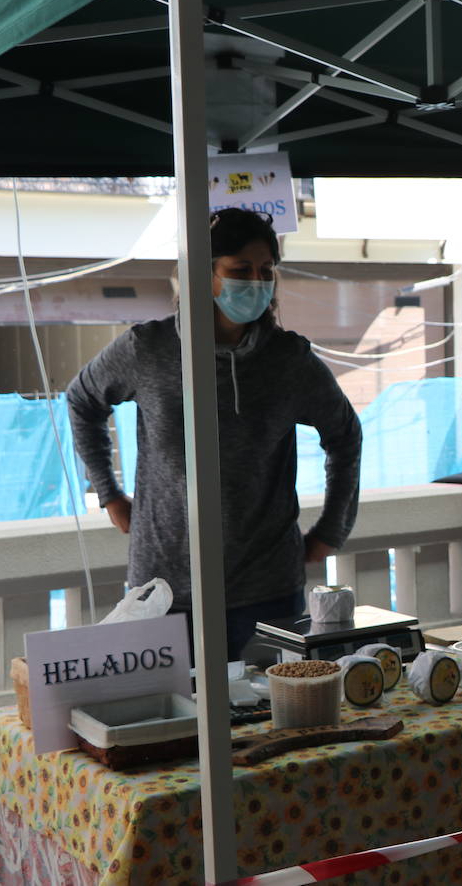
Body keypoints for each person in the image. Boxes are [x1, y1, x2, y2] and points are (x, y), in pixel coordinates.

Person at [68, 208, 362, 659]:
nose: (256, 282)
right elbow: (82, 401)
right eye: (240, 270)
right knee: (172, 705)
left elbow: (344, 434)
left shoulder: (288, 361)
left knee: (272, 703)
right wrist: (109, 493)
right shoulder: (148, 349)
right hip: (163, 587)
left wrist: (331, 529)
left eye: (266, 270)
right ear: (202, 274)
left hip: (268, 588)